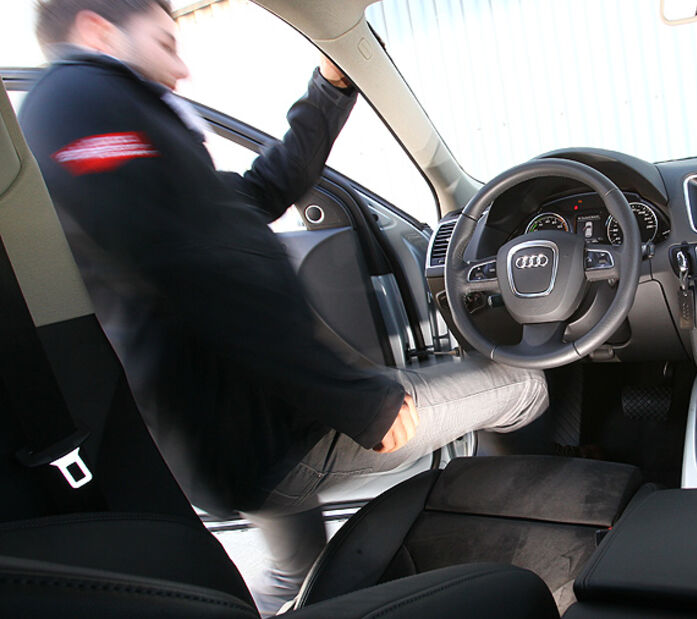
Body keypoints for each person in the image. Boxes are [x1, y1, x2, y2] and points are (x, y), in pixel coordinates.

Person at [19, 0, 548, 614]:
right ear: (97, 30)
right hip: (268, 433)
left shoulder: (106, 111)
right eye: (165, 42)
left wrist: (328, 91)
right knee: (522, 385)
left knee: (297, 569)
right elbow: (205, 275)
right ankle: (541, 515)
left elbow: (254, 196)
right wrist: (358, 399)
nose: (181, 67)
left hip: (236, 435)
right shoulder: (79, 100)